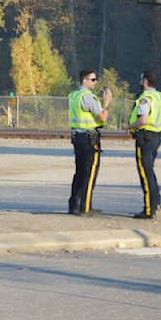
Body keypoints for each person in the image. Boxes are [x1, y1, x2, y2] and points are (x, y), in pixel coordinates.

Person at [68, 69, 112, 216]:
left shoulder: (74, 96)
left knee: (79, 172)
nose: (95, 82)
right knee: (89, 172)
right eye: (92, 79)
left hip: (77, 136)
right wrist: (106, 104)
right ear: (84, 81)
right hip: (89, 138)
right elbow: (102, 117)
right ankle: (85, 207)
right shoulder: (88, 97)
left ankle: (74, 204)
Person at [128, 71, 161, 219]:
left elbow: (143, 120)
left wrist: (130, 126)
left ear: (145, 81)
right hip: (156, 137)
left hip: (145, 138)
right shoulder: (160, 96)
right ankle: (155, 202)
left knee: (145, 173)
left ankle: (149, 209)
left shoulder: (145, 98)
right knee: (150, 172)